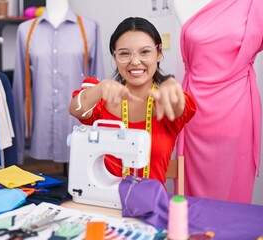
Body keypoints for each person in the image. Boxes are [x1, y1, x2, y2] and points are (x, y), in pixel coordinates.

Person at [69, 17, 196, 186]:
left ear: (159, 53)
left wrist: (173, 93)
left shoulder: (166, 103)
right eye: (124, 53)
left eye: (145, 52)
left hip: (149, 207)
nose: (135, 61)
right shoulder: (101, 100)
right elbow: (77, 109)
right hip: (103, 205)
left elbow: (179, 107)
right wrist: (101, 88)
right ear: (114, 57)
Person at [174, 0, 263, 203]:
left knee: (234, 190)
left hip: (236, 109)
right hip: (194, 111)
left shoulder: (260, 3)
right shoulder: (183, 2)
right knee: (191, 199)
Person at [13, 0, 105, 167]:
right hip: (41, 131)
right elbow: (19, 91)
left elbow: (98, 87)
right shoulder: (25, 30)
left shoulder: (90, 28)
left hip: (79, 130)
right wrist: (17, 153)